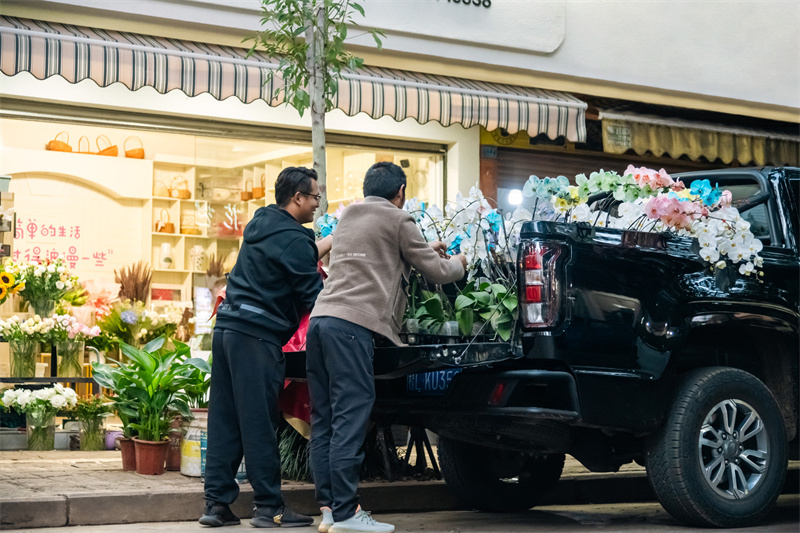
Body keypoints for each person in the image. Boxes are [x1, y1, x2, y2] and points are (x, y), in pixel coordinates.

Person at [306, 162, 467, 533]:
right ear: (400, 192)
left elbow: (370, 255)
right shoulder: (399, 218)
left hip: (321, 322)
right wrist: (457, 262)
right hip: (352, 327)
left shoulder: (349, 217)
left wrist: (422, 249)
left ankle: (330, 511)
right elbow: (438, 272)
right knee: (351, 416)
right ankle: (347, 514)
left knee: (326, 420)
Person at [200, 166, 330, 529]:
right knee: (259, 422)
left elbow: (295, 254)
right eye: (315, 196)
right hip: (257, 337)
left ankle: (217, 506)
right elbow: (312, 296)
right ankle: (268, 507)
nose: (318, 203)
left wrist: (330, 243)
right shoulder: (295, 239)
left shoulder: (262, 224)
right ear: (298, 198)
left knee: (225, 419)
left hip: (227, 330)